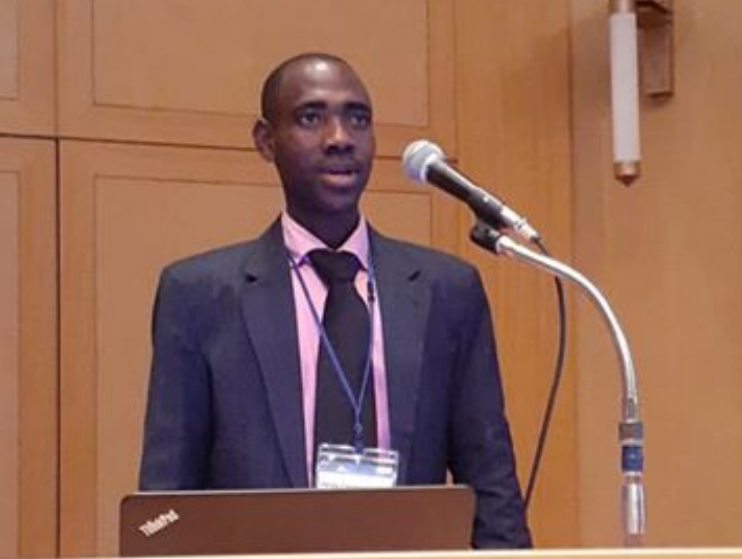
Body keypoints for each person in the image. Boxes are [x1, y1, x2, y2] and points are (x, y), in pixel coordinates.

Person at [139, 52, 532, 548]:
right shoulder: (199, 297)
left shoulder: (446, 291)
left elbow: (492, 485)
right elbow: (167, 502)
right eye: (311, 117)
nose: (340, 137)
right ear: (266, 140)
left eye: (358, 119)